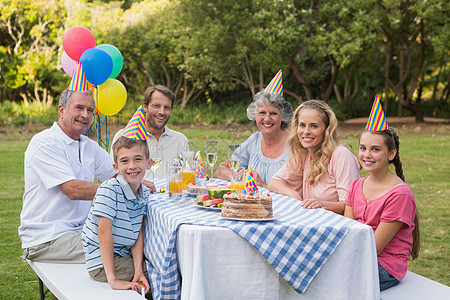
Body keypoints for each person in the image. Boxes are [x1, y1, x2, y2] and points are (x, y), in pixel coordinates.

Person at [19, 89, 116, 263]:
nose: (85, 115)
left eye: (90, 111)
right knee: (119, 252)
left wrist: (139, 182)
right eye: (79, 108)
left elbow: (117, 174)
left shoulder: (88, 145)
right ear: (61, 110)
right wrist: (122, 189)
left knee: (134, 242)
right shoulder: (44, 142)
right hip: (46, 238)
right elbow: (73, 190)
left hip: (81, 232)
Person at [344, 98, 419, 291]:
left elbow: (373, 247)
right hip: (356, 255)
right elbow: (348, 230)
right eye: (363, 148)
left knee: (329, 282)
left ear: (391, 153)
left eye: (375, 149)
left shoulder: (399, 194)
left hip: (384, 266)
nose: (367, 155)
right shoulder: (356, 185)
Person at [82, 136, 151, 296]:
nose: (132, 166)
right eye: (125, 161)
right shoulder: (109, 189)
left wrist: (138, 269)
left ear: (149, 163)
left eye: (138, 159)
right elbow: (104, 234)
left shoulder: (144, 193)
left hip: (123, 254)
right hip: (101, 262)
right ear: (116, 167)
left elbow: (137, 233)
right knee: (156, 274)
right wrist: (113, 280)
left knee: (152, 268)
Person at [268, 100, 360, 214]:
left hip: (334, 226)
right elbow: (274, 182)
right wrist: (295, 195)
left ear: (326, 129)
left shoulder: (341, 155)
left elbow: (350, 206)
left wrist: (321, 204)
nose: (306, 132)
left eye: (314, 126)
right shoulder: (304, 152)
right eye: (302, 125)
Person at [111, 85, 189, 191]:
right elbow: (111, 175)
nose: (162, 112)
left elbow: (188, 177)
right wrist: (133, 183)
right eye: (156, 106)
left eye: (167, 108)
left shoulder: (180, 140)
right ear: (145, 107)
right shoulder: (123, 136)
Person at [215, 91, 293, 188]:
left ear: (283, 117)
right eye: (262, 113)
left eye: (273, 113)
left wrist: (264, 185)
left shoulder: (295, 145)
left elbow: (300, 191)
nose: (267, 119)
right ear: (255, 116)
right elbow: (221, 170)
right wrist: (239, 177)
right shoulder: (254, 140)